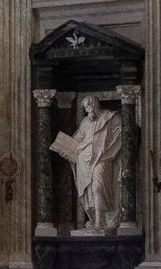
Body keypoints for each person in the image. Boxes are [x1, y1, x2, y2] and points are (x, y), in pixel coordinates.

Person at [51, 94, 121, 231]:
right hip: (84, 161)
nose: (88, 110)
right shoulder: (85, 122)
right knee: (89, 192)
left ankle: (101, 221)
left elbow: (125, 134)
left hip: (103, 158)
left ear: (95, 105)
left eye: (89, 107)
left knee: (98, 187)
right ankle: (96, 219)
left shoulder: (111, 117)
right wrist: (66, 149)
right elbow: (77, 139)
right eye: (86, 108)